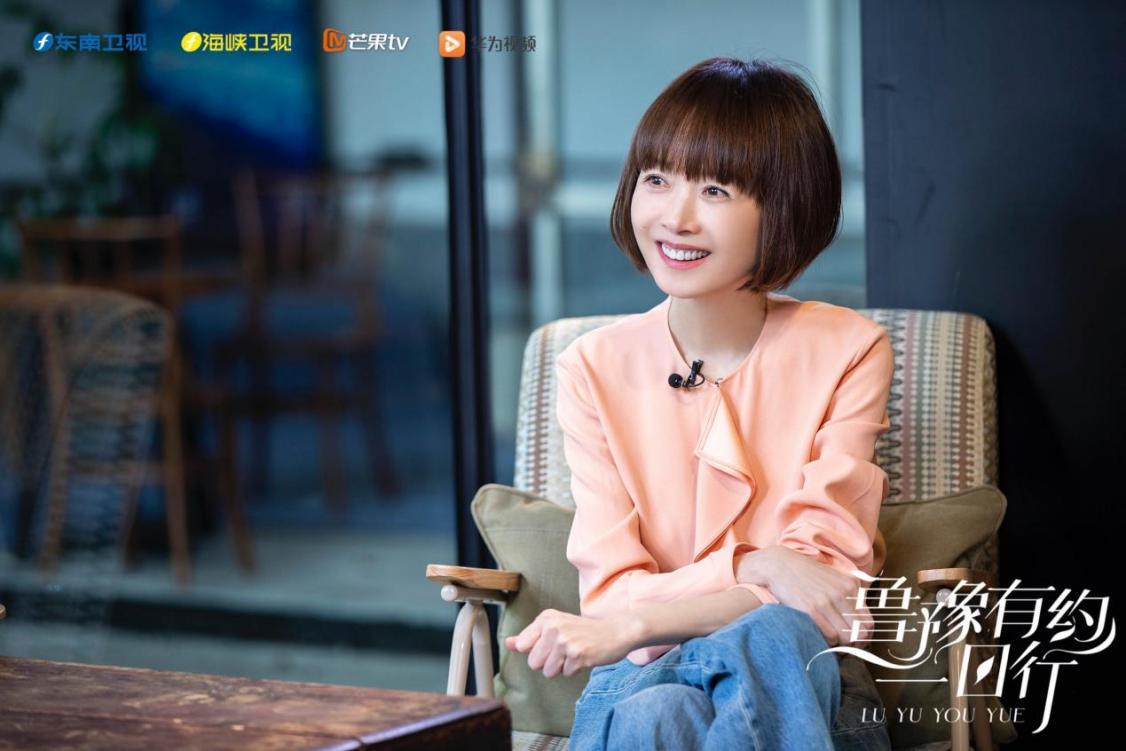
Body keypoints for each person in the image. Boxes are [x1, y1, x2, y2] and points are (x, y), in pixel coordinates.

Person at [505, 57, 894, 751]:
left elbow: (825, 586)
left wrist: (643, 618)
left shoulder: (849, 350)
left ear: (784, 207)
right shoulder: (592, 367)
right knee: (657, 708)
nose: (675, 218)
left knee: (766, 638)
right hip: (643, 674)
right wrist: (756, 564)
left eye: (714, 190)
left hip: (803, 682)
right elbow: (612, 594)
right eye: (657, 179)